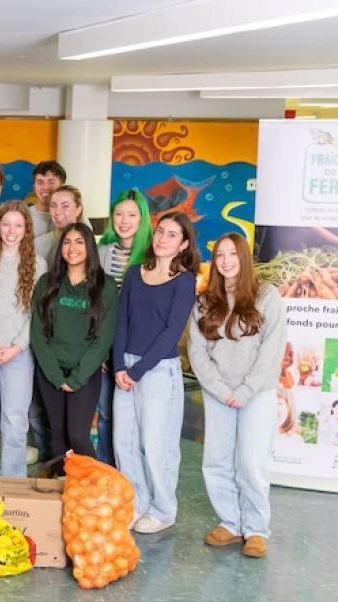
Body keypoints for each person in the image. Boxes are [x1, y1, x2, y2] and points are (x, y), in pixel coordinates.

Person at [188, 233, 286, 558]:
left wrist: (244, 391)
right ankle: (231, 522)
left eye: (233, 254)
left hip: (256, 393)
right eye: (220, 256)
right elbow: (197, 352)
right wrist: (221, 390)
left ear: (244, 258)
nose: (226, 261)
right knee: (215, 461)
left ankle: (256, 530)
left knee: (251, 462)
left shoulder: (267, 296)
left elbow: (272, 350)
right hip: (218, 394)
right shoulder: (204, 302)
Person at [113, 211, 199, 534]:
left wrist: (136, 371)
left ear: (184, 244)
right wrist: (121, 365)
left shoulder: (185, 281)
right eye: (160, 232)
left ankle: (163, 509)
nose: (162, 239)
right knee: (125, 441)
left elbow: (171, 332)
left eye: (172, 235)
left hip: (159, 370)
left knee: (156, 442)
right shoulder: (135, 274)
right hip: (126, 368)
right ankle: (136, 504)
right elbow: (122, 320)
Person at [30, 223, 118, 466]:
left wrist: (76, 378)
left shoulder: (105, 286)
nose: (72, 248)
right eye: (67, 242)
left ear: (89, 246)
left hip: (85, 374)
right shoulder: (47, 283)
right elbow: (38, 332)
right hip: (51, 373)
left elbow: (103, 339)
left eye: (79, 242)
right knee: (57, 436)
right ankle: (64, 491)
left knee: (78, 435)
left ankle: (91, 490)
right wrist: (56, 377)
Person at [0, 201, 46, 477]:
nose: (11, 231)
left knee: (15, 422)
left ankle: (13, 481)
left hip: (20, 354)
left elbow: (36, 314)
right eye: (5, 224)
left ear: (26, 229)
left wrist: (16, 347)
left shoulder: (38, 265)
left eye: (18, 225)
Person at [94, 188, 154, 465]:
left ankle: (136, 477)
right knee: (107, 414)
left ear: (142, 218)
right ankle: (108, 472)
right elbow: (93, 305)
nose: (124, 220)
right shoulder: (101, 252)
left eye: (132, 214)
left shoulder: (153, 256)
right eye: (119, 214)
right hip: (105, 349)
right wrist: (105, 350)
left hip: (140, 351)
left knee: (141, 420)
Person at [41, 184, 85, 265]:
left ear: (78, 210)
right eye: (53, 206)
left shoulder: (89, 243)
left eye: (65, 206)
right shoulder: (39, 244)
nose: (57, 211)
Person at [29, 160, 66, 242]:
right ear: (34, 187)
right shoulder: (23, 217)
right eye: (40, 182)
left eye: (51, 182)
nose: (45, 187)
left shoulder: (74, 215)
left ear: (62, 185)